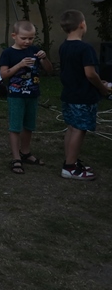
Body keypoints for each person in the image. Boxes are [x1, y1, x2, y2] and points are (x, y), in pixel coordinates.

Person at [57, 10, 107, 180]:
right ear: (82, 24)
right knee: (79, 129)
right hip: (83, 96)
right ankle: (70, 167)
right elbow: (90, 74)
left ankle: (70, 160)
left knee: (72, 127)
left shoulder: (64, 46)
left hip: (69, 94)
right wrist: (102, 87)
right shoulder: (86, 48)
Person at [0, 20, 53, 175]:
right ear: (14, 36)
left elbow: (49, 70)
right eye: (24, 38)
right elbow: (3, 74)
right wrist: (20, 65)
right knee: (15, 126)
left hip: (32, 94)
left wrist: (44, 58)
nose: (27, 41)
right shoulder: (8, 53)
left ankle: (25, 152)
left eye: (31, 38)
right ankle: (16, 158)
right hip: (16, 95)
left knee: (29, 126)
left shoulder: (35, 50)